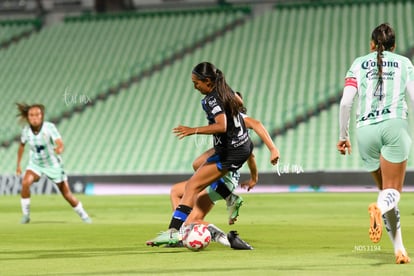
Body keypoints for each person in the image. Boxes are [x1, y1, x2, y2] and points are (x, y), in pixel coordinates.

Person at [146, 62, 255, 246]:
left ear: (207, 81)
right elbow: (239, 102)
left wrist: (192, 130)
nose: (195, 87)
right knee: (197, 165)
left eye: (196, 83)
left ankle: (174, 233)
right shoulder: (226, 90)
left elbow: (222, 126)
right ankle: (230, 198)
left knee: (192, 187)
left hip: (230, 151)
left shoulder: (212, 99)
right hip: (239, 146)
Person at [337, 23, 414, 264]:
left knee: (386, 192)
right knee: (392, 193)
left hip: (365, 131)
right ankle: (377, 210)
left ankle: (399, 250)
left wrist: (343, 136)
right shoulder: (404, 63)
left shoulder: (358, 64)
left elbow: (346, 103)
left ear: (372, 45)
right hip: (393, 126)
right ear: (395, 46)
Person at [16, 103, 92, 224]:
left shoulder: (49, 127)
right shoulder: (26, 131)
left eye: (37, 114)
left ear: (42, 116)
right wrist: (18, 165)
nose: (34, 117)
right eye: (31, 115)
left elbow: (60, 143)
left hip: (53, 165)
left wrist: (59, 148)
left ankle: (84, 216)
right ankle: (26, 215)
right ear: (28, 117)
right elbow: (21, 146)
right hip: (36, 164)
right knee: (25, 182)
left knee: (67, 194)